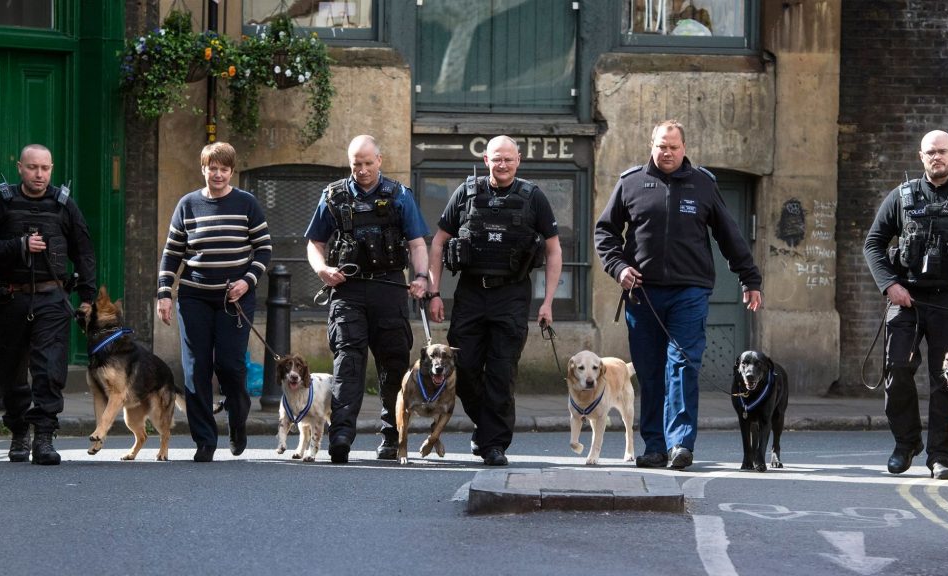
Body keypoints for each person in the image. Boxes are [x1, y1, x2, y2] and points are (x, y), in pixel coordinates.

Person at [595, 120, 762, 470]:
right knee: (650, 370)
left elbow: (729, 235)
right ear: (651, 146)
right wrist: (619, 268)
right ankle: (655, 447)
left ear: (684, 148)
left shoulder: (703, 184)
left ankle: (680, 445)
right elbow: (605, 233)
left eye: (673, 147)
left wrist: (749, 278)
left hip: (690, 291)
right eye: (661, 146)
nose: (667, 152)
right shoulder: (630, 183)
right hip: (642, 294)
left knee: (682, 366)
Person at [863, 129, 948, 480]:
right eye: (930, 152)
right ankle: (906, 443)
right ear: (921, 156)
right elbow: (873, 244)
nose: (936, 157)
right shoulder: (901, 197)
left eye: (942, 151)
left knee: (947, 380)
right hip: (907, 299)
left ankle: (941, 456)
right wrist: (889, 284)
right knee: (897, 369)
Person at [428, 135, 563, 466]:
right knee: (462, 368)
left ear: (518, 160)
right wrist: (434, 292)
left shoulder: (533, 197)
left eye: (509, 159)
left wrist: (548, 302)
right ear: (486, 160)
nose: (503, 164)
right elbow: (438, 242)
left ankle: (494, 445)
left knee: (502, 374)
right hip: (471, 293)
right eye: (496, 159)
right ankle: (487, 427)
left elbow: (553, 249)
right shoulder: (466, 193)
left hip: (511, 295)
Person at [0, 144, 97, 465]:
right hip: (11, 298)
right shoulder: (2, 202)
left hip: (52, 297)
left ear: (51, 169)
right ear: (20, 168)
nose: (39, 174)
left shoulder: (64, 205)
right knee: (11, 370)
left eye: (45, 168)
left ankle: (43, 437)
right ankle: (18, 431)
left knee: (49, 368)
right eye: (32, 168)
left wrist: (88, 298)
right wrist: (19, 245)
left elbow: (84, 252)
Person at [305, 135, 430, 464]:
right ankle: (341, 437)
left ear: (380, 160)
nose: (362, 170)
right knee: (347, 363)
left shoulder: (399, 195)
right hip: (347, 289)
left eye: (367, 163)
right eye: (355, 164)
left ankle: (392, 435)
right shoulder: (333, 195)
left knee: (393, 365)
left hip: (389, 288)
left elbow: (417, 243)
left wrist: (421, 277)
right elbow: (315, 242)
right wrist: (322, 270)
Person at [156, 142, 272, 463]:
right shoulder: (187, 205)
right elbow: (172, 253)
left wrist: (247, 281)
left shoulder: (246, 203)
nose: (218, 174)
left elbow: (263, 249)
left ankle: (237, 418)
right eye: (212, 168)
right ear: (203, 169)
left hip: (235, 298)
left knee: (231, 366)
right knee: (196, 369)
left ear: (231, 172)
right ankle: (205, 440)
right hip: (194, 296)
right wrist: (164, 293)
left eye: (224, 169)